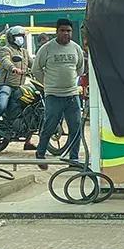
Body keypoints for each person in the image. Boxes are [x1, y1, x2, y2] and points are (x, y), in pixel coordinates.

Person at [32, 18, 85, 168]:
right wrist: (48, 83)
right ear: (57, 32)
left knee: (75, 127)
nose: (66, 33)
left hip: (72, 95)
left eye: (68, 31)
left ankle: (73, 158)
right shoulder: (47, 48)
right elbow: (36, 69)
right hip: (53, 96)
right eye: (62, 30)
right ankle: (40, 153)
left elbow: (80, 68)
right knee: (49, 126)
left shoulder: (76, 48)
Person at [0, 26, 31, 128]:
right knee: (2, 106)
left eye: (21, 36)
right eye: (17, 36)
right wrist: (13, 68)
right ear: (10, 38)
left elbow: (33, 64)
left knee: (28, 109)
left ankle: (28, 140)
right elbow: (5, 61)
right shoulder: (5, 50)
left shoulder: (24, 52)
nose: (20, 38)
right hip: (6, 85)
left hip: (20, 86)